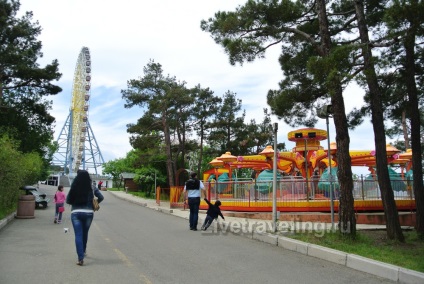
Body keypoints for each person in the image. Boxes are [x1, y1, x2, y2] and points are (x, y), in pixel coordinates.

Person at [66, 170, 104, 266]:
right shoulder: (92, 186)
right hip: (88, 213)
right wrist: (94, 204)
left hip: (76, 213)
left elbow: (68, 200)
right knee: (85, 233)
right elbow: (101, 197)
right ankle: (83, 251)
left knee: (78, 235)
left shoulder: (74, 186)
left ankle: (80, 259)